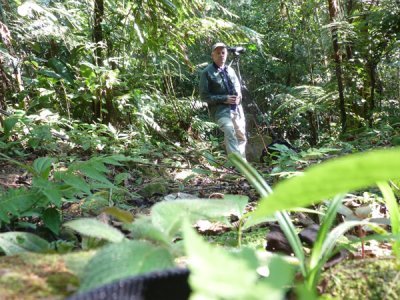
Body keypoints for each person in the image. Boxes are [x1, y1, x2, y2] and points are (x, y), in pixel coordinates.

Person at [199, 42, 247, 159]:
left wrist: (239, 96)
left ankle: (241, 163)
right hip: (221, 112)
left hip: (236, 110)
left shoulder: (230, 70)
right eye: (218, 53)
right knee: (230, 131)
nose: (221, 55)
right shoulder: (207, 72)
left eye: (223, 53)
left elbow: (237, 87)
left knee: (241, 136)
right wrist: (224, 99)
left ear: (226, 55)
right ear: (213, 55)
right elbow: (204, 97)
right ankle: (239, 165)